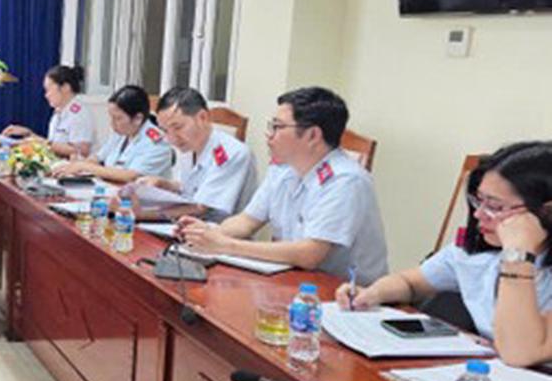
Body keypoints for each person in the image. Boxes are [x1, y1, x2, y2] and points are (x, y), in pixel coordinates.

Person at [335, 141, 552, 365]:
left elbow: (520, 353)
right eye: (479, 200)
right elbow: (410, 283)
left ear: (546, 212)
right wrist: (372, 293)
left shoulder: (516, 257)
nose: (478, 214)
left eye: (495, 207)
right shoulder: (477, 252)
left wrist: (518, 255)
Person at [178, 86, 389, 281]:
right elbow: (247, 221)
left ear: (312, 135)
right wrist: (206, 233)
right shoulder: (283, 170)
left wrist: (226, 245)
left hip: (346, 295)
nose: (269, 134)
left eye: (277, 127)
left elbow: (310, 254)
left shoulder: (345, 180)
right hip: (294, 280)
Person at [130, 86, 254, 220]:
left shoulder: (231, 153)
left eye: (178, 127)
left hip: (217, 228)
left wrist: (144, 214)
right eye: (165, 130)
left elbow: (200, 208)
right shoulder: (189, 146)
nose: (171, 138)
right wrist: (163, 184)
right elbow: (189, 188)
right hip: (184, 223)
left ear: (202, 117)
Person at [52, 83, 172, 179]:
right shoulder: (122, 134)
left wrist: (84, 166)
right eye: (112, 118)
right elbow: (98, 157)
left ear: (137, 118)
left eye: (118, 118)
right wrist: (76, 165)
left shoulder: (157, 142)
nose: (112, 124)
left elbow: (129, 176)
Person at [2, 65, 92, 159]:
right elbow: (53, 144)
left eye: (48, 90)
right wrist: (28, 134)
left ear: (65, 87)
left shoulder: (79, 114)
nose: (46, 95)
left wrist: (44, 143)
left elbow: (81, 152)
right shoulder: (58, 113)